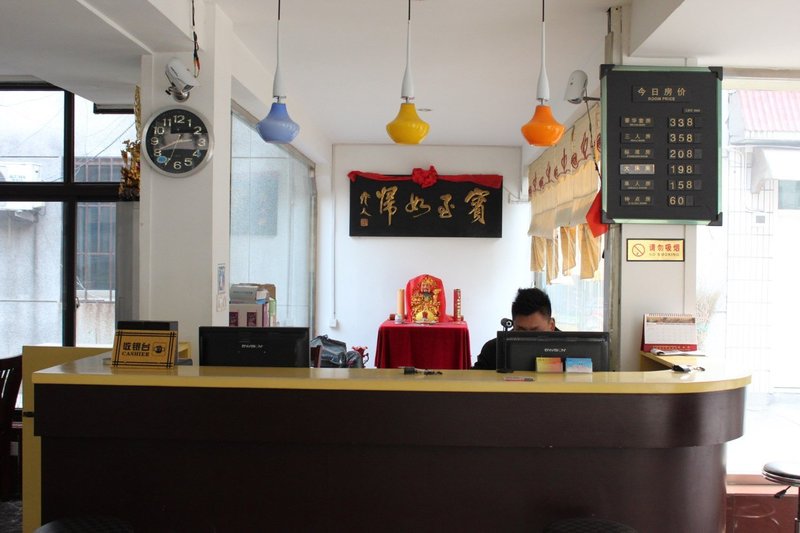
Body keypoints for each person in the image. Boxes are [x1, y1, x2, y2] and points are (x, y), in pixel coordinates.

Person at [472, 287, 557, 370]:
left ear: (551, 326)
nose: (528, 340)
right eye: (521, 331)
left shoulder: (564, 350)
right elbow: (473, 378)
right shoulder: (493, 350)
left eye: (535, 332)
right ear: (513, 325)